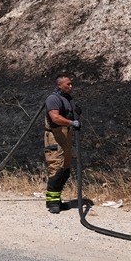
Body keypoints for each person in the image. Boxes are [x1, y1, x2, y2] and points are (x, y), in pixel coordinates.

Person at [44, 75, 81, 214]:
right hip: (55, 136)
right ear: (59, 85)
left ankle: (57, 200)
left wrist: (75, 116)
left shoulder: (68, 98)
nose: (71, 86)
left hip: (66, 135)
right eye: (68, 84)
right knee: (56, 169)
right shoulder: (53, 99)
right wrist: (71, 122)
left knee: (65, 170)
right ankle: (52, 203)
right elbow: (55, 118)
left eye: (71, 84)